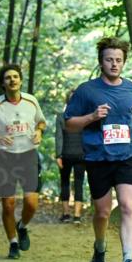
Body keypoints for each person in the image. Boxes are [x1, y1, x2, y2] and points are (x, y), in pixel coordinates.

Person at [64, 37, 132, 262]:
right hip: (98, 158)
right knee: (102, 212)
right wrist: (92, 116)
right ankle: (100, 246)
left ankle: (128, 261)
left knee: (127, 205)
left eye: (119, 60)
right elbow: (69, 125)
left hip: (128, 155)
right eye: (109, 60)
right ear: (101, 62)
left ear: (124, 62)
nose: (114, 64)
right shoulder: (86, 90)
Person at [0, 64, 47, 259]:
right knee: (8, 204)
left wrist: (39, 131)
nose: (12, 80)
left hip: (29, 155)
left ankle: (22, 226)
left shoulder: (31, 101)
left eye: (16, 77)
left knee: (31, 203)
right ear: (3, 83)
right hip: (5, 157)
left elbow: (41, 121)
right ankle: (13, 243)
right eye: (8, 78)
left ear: (21, 80)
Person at [55, 90, 86, 223]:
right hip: (81, 155)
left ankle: (67, 214)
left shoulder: (61, 116)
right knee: (78, 183)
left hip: (67, 154)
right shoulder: (85, 117)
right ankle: (77, 216)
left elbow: (59, 138)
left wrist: (58, 154)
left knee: (65, 183)